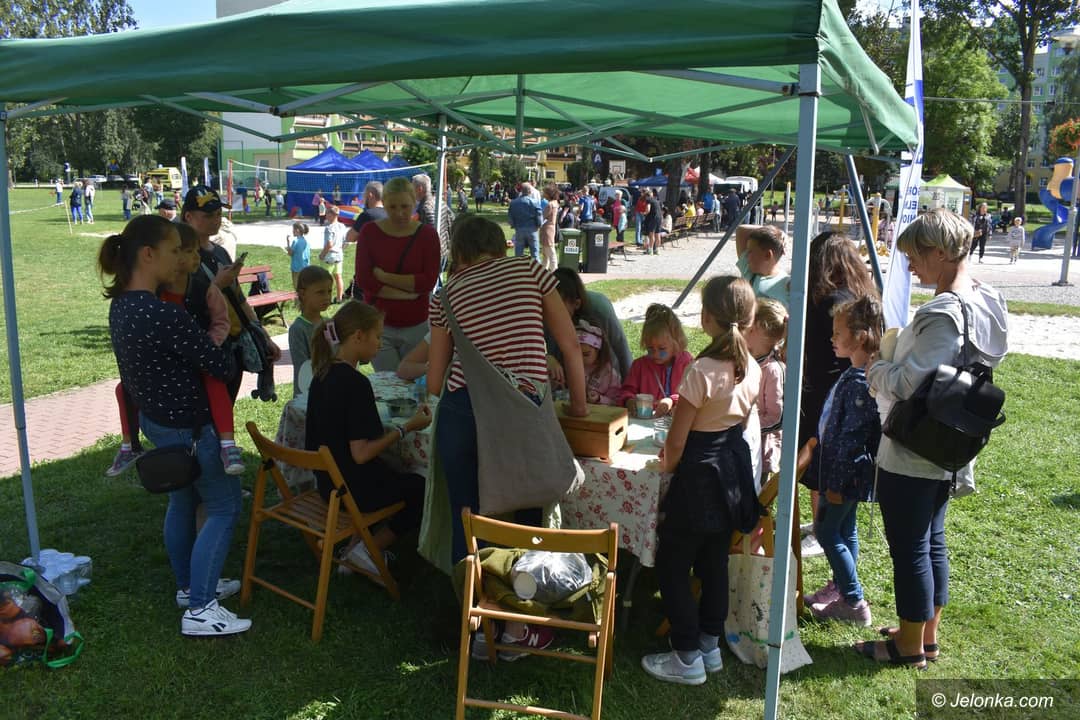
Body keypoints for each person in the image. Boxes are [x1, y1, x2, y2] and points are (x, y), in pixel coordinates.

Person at [858, 208, 1008, 669]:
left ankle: (907, 647)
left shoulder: (943, 314)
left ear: (940, 253)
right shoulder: (985, 299)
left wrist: (874, 368)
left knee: (911, 548)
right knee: (931, 539)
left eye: (914, 255)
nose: (909, 265)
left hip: (916, 446)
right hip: (951, 441)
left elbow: (908, 383)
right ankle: (924, 634)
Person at [98, 215, 249, 636]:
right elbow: (218, 364)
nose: (178, 260)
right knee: (224, 507)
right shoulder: (164, 314)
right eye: (171, 251)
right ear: (148, 255)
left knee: (182, 503)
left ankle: (189, 587)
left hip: (159, 425)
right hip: (192, 429)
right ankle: (201, 608)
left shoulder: (121, 306)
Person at [427, 214, 587, 565]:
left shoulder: (445, 295)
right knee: (529, 510)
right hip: (523, 410)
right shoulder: (529, 269)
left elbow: (434, 382)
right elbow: (571, 345)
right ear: (500, 248)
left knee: (467, 519)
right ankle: (524, 589)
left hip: (463, 410)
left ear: (460, 253)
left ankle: (472, 595)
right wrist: (579, 406)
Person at [641, 275, 762, 685]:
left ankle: (687, 654)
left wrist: (665, 468)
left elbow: (677, 441)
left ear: (706, 317)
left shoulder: (701, 371)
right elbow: (738, 424)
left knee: (673, 564)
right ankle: (709, 644)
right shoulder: (753, 368)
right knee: (714, 563)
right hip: (730, 474)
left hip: (697, 478)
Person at [305, 301, 431, 580]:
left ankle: (355, 547)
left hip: (328, 484)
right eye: (377, 336)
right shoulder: (356, 384)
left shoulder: (322, 374)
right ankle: (368, 550)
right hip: (353, 490)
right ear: (358, 336)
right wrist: (406, 428)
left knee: (393, 470)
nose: (380, 343)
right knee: (423, 489)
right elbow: (361, 453)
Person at [805, 294, 882, 626]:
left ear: (860, 337)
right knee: (845, 529)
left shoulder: (859, 383)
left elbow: (850, 440)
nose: (832, 338)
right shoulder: (856, 374)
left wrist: (835, 484)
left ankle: (853, 600)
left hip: (843, 475)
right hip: (848, 474)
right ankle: (841, 587)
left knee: (826, 532)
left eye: (838, 333)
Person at [182, 185, 282, 402]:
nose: (216, 220)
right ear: (188, 217)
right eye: (208, 215)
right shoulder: (181, 256)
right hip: (207, 345)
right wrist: (217, 284)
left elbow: (239, 299)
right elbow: (184, 306)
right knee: (210, 411)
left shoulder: (220, 251)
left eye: (219, 214)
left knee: (226, 408)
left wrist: (263, 335)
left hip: (233, 345)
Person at [355, 176, 440, 371]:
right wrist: (407, 294)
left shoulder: (427, 235)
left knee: (413, 383)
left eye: (405, 206)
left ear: (414, 202)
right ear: (384, 203)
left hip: (417, 325)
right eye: (392, 207)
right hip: (379, 327)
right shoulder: (369, 232)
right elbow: (365, 280)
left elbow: (427, 281)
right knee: (388, 384)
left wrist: (384, 277)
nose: (399, 213)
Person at [548, 267, 632, 379]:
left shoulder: (600, 309)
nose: (552, 312)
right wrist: (548, 358)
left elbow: (621, 349)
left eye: (559, 308)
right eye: (549, 307)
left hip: (606, 381)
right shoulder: (546, 313)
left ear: (576, 304)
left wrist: (629, 385)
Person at [617, 304, 693, 416]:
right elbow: (626, 391)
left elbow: (692, 394)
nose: (655, 354)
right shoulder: (639, 366)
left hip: (676, 421)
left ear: (676, 342)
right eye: (650, 348)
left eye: (662, 349)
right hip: (647, 421)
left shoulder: (686, 363)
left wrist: (671, 401)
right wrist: (628, 400)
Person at [743, 297, 787, 484]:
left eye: (749, 327)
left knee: (756, 494)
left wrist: (746, 426)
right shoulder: (746, 360)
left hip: (761, 452)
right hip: (742, 445)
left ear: (759, 329)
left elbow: (776, 418)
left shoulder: (773, 370)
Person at [288, 265, 333, 396]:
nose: (327, 297)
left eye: (329, 291)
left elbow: (337, 353)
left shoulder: (330, 324)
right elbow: (302, 367)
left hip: (331, 389)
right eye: (320, 292)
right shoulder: (298, 329)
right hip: (308, 393)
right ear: (303, 294)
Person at [735, 224, 790, 308]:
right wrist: (779, 233)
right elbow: (741, 230)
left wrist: (777, 237)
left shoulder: (787, 284)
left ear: (768, 255)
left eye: (750, 251)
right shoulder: (748, 270)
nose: (746, 255)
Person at [578, 319, 621, 405]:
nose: (580, 358)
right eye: (576, 354)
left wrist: (599, 399)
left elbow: (616, 402)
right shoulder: (573, 367)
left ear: (598, 350)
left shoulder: (609, 374)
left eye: (586, 354)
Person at [508, 181, 543, 260]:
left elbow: (510, 216)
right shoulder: (535, 202)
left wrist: (513, 225)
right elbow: (539, 216)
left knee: (518, 255)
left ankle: (518, 267)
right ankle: (536, 267)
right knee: (535, 254)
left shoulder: (514, 203)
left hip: (519, 230)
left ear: (521, 191)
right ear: (530, 191)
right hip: (532, 230)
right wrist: (539, 225)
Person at [319, 205, 347, 303]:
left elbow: (329, 244)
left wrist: (322, 254)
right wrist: (340, 249)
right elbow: (346, 242)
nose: (326, 215)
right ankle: (339, 298)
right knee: (338, 277)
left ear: (332, 215)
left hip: (329, 256)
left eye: (327, 213)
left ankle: (326, 298)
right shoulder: (342, 226)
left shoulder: (329, 228)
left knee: (325, 279)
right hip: (339, 255)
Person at [539, 183, 560, 271]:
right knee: (546, 253)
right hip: (551, 228)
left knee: (550, 251)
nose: (543, 194)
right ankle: (544, 270)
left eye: (544, 192)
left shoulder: (550, 204)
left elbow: (542, 217)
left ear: (548, 194)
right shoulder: (555, 203)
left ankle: (555, 270)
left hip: (547, 229)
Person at [286, 221, 311, 288]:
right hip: (306, 267)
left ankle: (299, 295)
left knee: (297, 286)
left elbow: (290, 253)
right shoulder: (306, 241)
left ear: (297, 230)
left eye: (293, 229)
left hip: (296, 268)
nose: (292, 231)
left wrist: (288, 242)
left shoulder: (295, 241)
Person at [644, 190, 662, 255]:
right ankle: (657, 250)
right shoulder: (656, 200)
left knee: (651, 234)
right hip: (659, 217)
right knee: (657, 234)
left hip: (653, 218)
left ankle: (651, 250)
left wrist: (644, 213)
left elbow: (648, 209)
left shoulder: (648, 200)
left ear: (647, 196)